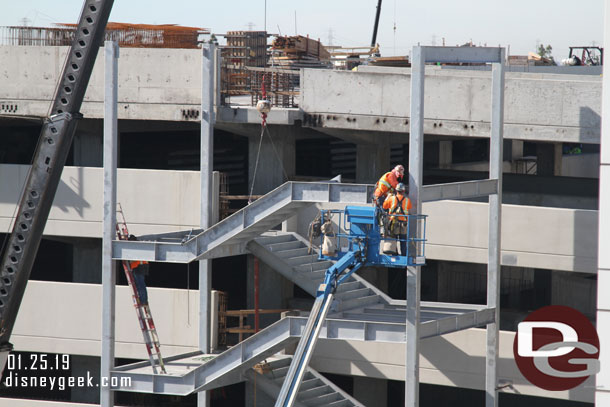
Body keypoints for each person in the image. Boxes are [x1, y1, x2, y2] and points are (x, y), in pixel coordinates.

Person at [382, 183, 412, 256]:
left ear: (396, 190)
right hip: (403, 223)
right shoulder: (407, 200)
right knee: (403, 240)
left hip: (393, 222)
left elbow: (384, 206)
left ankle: (395, 253)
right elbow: (409, 207)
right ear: (403, 191)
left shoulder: (391, 199)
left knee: (393, 238)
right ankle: (404, 254)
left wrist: (387, 197)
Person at [128, 235, 150, 305]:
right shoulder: (139, 245)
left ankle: (143, 300)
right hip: (141, 266)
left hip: (138, 266)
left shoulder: (135, 247)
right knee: (140, 284)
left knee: (140, 284)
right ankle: (143, 300)